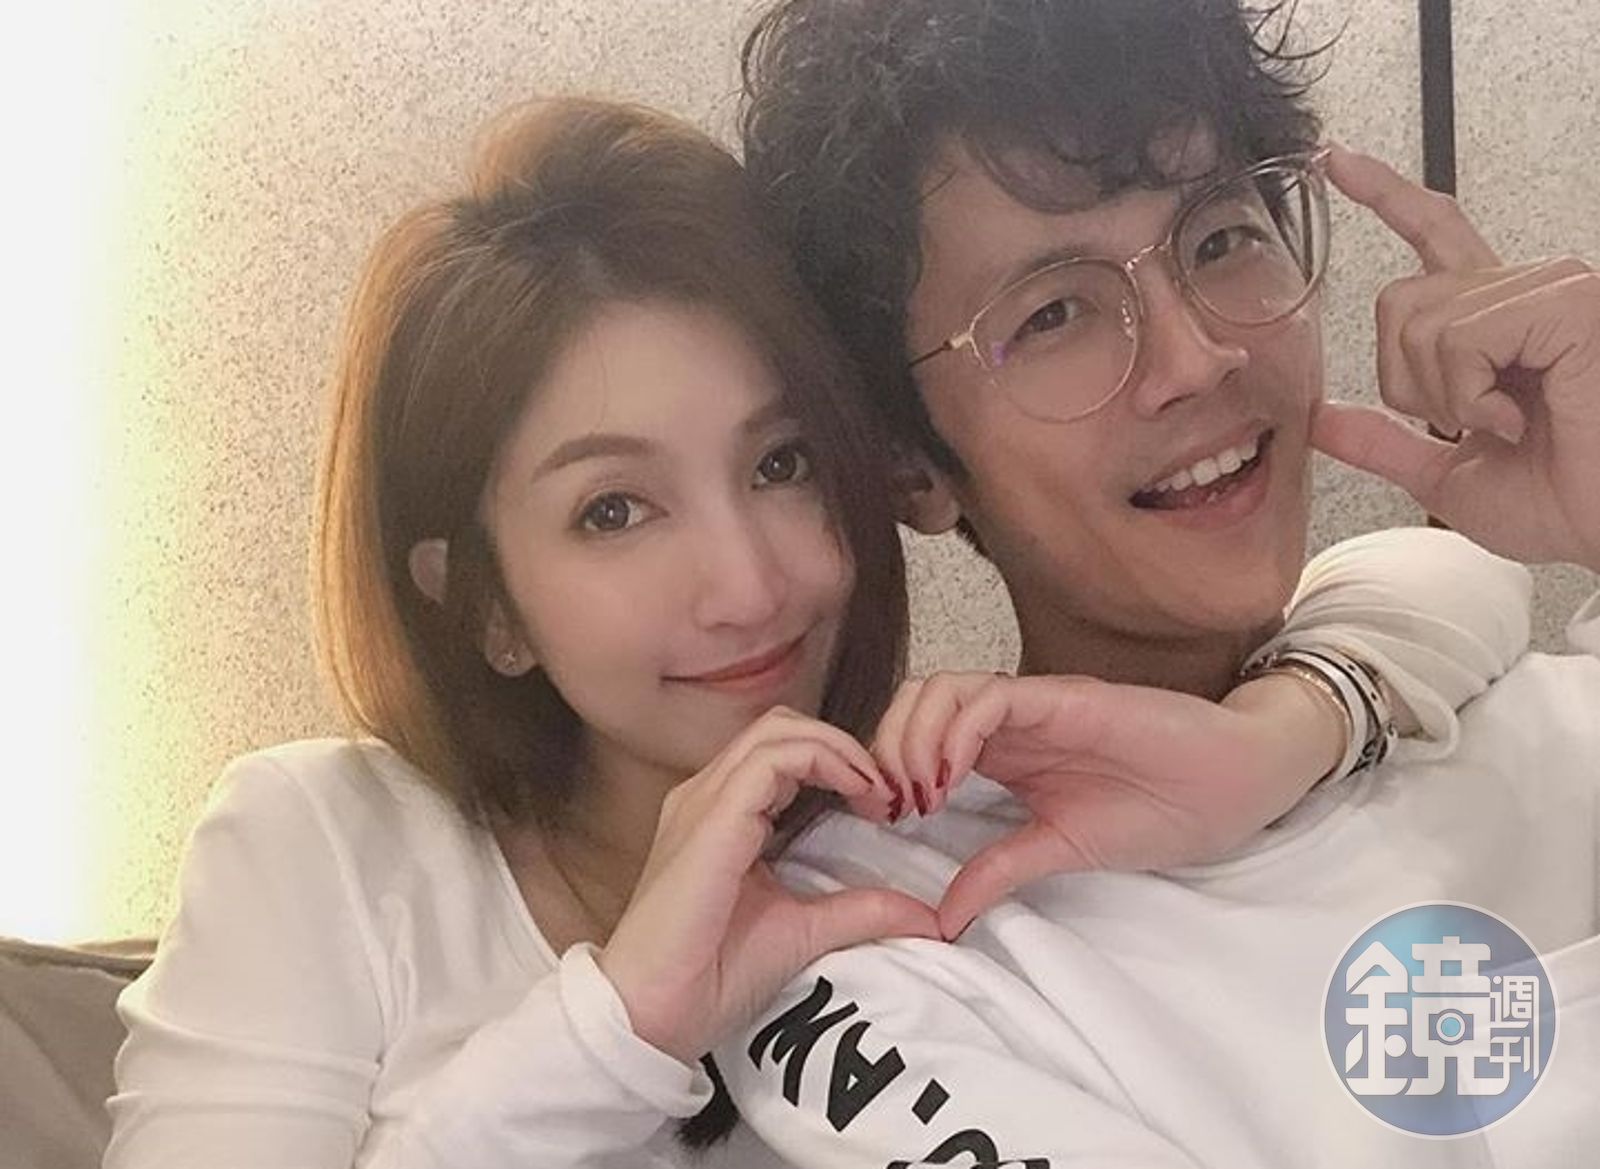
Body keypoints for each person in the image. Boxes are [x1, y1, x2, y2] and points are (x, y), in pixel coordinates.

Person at [105, 96, 1537, 1169]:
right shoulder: (332, 848)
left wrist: (1287, 726)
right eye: (614, 510)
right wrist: (617, 1025)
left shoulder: (916, 842)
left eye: (782, 462)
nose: (748, 585)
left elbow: (1433, 587)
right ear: (484, 602)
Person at [719, 0, 1600, 1165]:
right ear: (906, 464)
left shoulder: (1484, 676)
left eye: (1221, 237)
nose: (1198, 356)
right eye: (1053, 314)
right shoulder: (891, 943)